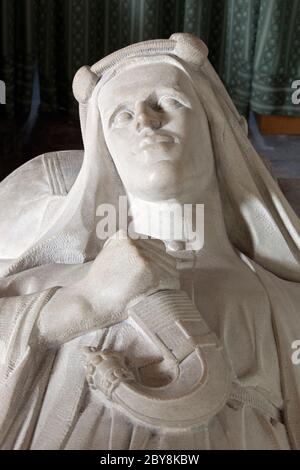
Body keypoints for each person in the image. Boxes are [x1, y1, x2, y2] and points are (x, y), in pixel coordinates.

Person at [0, 33, 299, 450]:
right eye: (121, 116)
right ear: (107, 153)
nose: (145, 119)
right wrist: (81, 304)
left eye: (169, 102)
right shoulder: (54, 285)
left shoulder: (284, 305)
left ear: (213, 128)